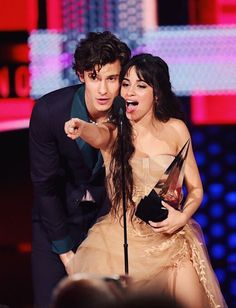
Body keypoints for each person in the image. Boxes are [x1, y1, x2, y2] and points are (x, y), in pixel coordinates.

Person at [64, 53, 227, 308]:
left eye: (141, 85)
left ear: (157, 94)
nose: (130, 91)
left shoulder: (176, 129)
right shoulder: (114, 130)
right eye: (126, 84)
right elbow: (97, 134)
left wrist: (182, 217)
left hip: (170, 239)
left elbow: (195, 189)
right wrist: (81, 127)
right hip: (121, 242)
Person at [29, 31, 131, 307]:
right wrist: (66, 254)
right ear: (80, 75)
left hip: (109, 227)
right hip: (56, 224)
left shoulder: (129, 113)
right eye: (94, 77)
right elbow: (44, 185)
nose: (103, 89)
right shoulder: (49, 112)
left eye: (112, 79)